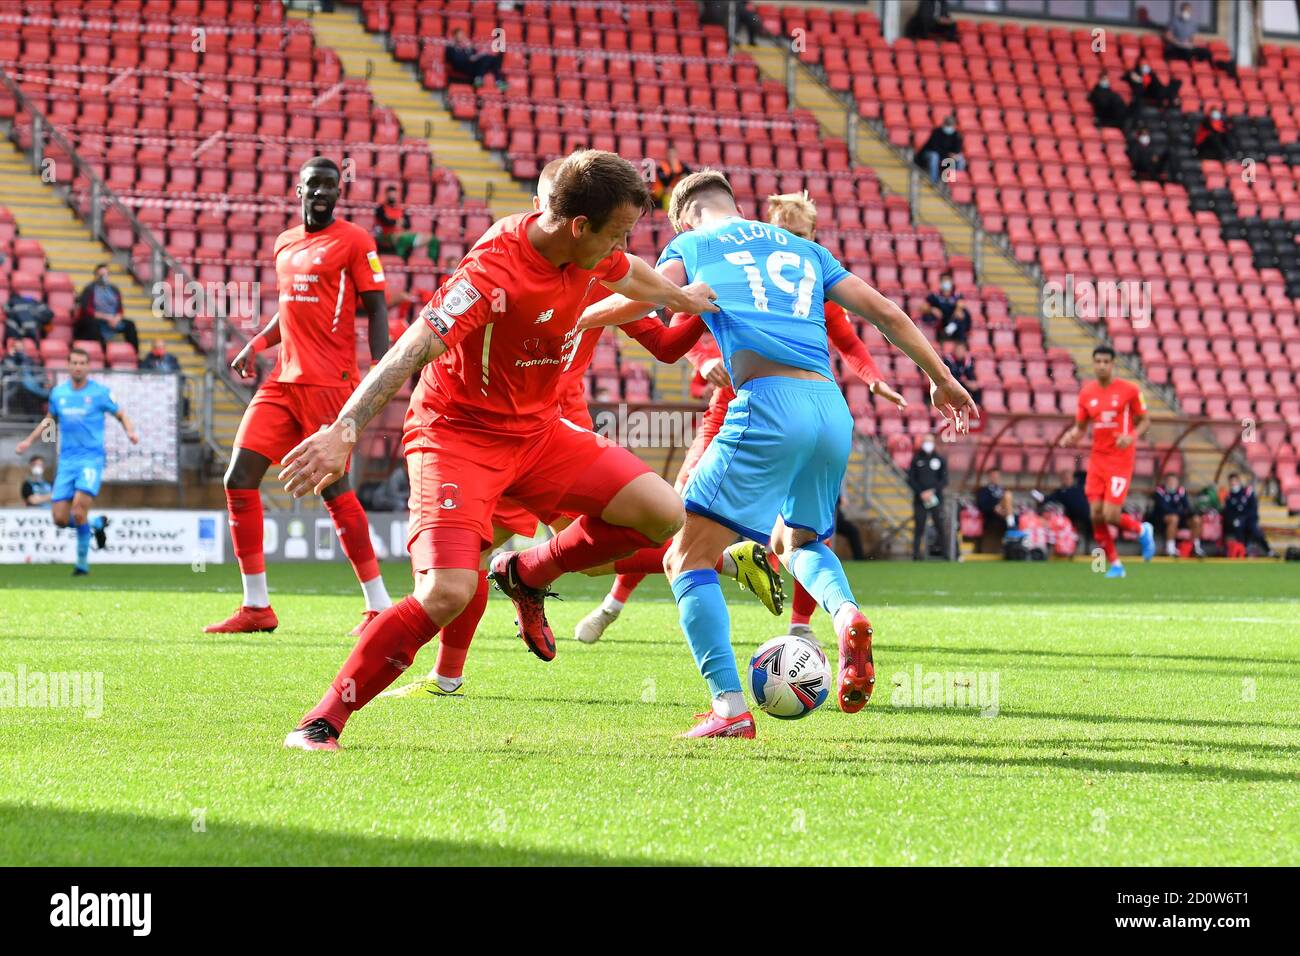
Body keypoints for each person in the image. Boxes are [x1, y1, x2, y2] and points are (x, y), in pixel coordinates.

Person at [276, 149, 719, 750]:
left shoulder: (592, 250)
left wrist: (687, 299)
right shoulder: (492, 271)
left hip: (539, 435)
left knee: (663, 512)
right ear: (577, 226)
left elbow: (629, 271)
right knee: (446, 592)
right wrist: (345, 428)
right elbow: (411, 349)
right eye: (616, 231)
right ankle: (322, 720)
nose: (623, 243)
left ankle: (526, 571)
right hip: (457, 436)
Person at [572, 167, 973, 737]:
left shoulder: (691, 243)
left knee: (683, 558)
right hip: (831, 409)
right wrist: (941, 378)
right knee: (797, 541)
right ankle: (845, 613)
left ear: (683, 214)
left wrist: (580, 317)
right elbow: (884, 310)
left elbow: (648, 299)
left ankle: (729, 710)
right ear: (736, 204)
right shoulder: (805, 249)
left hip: (766, 403)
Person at [383, 158, 759, 702]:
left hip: (551, 426)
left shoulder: (597, 269)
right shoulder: (524, 263)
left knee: (573, 556)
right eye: (539, 203)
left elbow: (661, 340)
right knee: (494, 556)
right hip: (496, 423)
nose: (541, 212)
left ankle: (456, 667)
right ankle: (451, 672)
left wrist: (700, 317)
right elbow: (433, 335)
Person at [572, 189, 907, 648]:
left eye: (799, 234)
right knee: (705, 522)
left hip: (762, 407)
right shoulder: (737, 261)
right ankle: (617, 602)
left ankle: (787, 639)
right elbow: (687, 324)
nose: (789, 241)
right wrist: (701, 360)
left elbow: (848, 339)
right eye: (784, 232)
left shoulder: (800, 278)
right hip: (772, 409)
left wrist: (871, 377)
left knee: (693, 539)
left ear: (811, 236)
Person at [204, 157, 394, 637]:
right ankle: (256, 606)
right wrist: (257, 343)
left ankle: (378, 605)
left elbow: (375, 309)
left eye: (331, 185)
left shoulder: (356, 242)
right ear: (299, 191)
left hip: (331, 385)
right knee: (239, 478)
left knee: (334, 490)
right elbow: (288, 310)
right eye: (315, 185)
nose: (323, 192)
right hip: (282, 382)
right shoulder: (284, 243)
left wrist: (381, 372)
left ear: (338, 192)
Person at [15, 347, 139, 575]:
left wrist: (130, 432)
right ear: (69, 365)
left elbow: (120, 414)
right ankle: (97, 525)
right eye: (74, 362)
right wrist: (28, 442)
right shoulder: (59, 393)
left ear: (88, 366)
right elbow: (49, 420)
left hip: (90, 460)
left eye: (82, 363)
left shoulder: (100, 393)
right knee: (60, 519)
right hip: (67, 462)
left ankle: (81, 565)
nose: (78, 366)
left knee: (79, 510)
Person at [1060, 345, 1156, 577]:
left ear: (1113, 364)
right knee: (1095, 515)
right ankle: (1116, 564)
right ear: (1093, 364)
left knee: (1111, 515)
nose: (1102, 365)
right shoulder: (1087, 393)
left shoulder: (1129, 390)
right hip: (1097, 460)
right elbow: (1081, 427)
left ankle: (1142, 530)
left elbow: (1145, 420)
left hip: (1120, 460)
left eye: (1106, 361)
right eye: (1098, 361)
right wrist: (1071, 435)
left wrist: (1131, 436)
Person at [75, 263, 138, 353]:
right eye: (100, 275)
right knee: (93, 325)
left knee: (130, 325)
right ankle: (103, 353)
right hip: (97, 321)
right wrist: (106, 317)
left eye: (105, 274)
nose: (103, 278)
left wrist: (116, 318)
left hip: (112, 320)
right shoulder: (89, 289)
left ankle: (134, 354)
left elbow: (120, 309)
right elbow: (87, 311)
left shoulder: (114, 289)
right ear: (95, 275)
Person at [908, 433, 949, 561]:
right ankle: (915, 555)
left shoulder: (940, 459)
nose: (928, 444)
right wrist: (921, 492)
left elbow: (944, 480)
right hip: (920, 499)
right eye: (926, 441)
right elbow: (911, 479)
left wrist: (932, 491)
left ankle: (946, 554)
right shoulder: (916, 459)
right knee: (919, 527)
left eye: (930, 441)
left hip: (935, 499)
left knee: (940, 526)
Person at [374, 185, 440, 263]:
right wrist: (396, 222)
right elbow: (385, 222)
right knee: (402, 238)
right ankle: (400, 262)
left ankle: (432, 264)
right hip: (387, 236)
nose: (392, 196)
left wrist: (395, 222)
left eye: (394, 194)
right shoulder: (380, 208)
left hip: (403, 234)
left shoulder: (401, 208)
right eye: (390, 194)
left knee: (433, 239)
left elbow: (408, 225)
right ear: (386, 194)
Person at [1151, 472, 1204, 557]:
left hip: (1181, 518)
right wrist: (1181, 511)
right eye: (1170, 481)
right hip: (1162, 519)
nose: (1172, 483)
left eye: (1174, 481)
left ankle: (1196, 547)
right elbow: (1164, 509)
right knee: (1174, 518)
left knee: (1196, 520)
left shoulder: (1181, 491)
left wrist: (1184, 512)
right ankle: (1170, 548)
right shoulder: (1160, 492)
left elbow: (1187, 507)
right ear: (1166, 482)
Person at [1222, 473, 1272, 557]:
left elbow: (1253, 507)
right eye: (1231, 482)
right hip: (1238, 521)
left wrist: (1250, 519)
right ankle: (1243, 551)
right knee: (1238, 530)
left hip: (1250, 519)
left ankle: (1269, 551)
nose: (1233, 484)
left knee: (1256, 532)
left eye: (1235, 481)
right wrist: (1234, 520)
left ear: (1239, 481)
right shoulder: (1229, 496)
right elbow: (1229, 512)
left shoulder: (1247, 492)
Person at [2, 336, 48, 415]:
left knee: (28, 386)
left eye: (21, 347)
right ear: (13, 348)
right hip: (12, 386)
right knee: (22, 384)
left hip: (30, 386)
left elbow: (38, 372)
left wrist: (44, 381)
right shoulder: (7, 359)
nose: (19, 350)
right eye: (16, 347)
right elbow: (4, 374)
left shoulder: (28, 360)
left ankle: (33, 416)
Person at [915, 116, 965, 185]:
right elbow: (935, 147)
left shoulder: (956, 135)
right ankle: (934, 182)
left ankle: (954, 183)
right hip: (930, 153)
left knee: (960, 159)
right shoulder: (936, 132)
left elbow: (957, 148)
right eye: (948, 124)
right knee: (934, 156)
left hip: (946, 156)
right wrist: (948, 154)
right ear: (944, 124)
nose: (949, 127)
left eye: (950, 125)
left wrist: (955, 154)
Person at [925, 272, 971, 345]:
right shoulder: (935, 295)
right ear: (940, 282)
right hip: (940, 321)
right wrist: (932, 309)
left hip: (953, 321)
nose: (946, 282)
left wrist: (958, 310)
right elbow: (923, 307)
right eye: (944, 280)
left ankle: (951, 335)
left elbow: (961, 304)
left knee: (963, 315)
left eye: (948, 280)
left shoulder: (957, 294)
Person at [976, 467, 1015, 543]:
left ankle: (1011, 523)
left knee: (1008, 495)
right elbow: (982, 505)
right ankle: (1011, 524)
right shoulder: (984, 490)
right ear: (989, 477)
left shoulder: (1002, 489)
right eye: (993, 476)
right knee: (1007, 495)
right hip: (992, 515)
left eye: (997, 476)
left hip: (1003, 512)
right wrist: (994, 508)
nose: (996, 478)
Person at [942, 338, 980, 404]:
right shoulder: (948, 360)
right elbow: (950, 376)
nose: (960, 352)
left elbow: (970, 374)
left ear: (965, 351)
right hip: (951, 384)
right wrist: (966, 382)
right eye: (958, 350)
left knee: (976, 388)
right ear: (954, 351)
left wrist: (972, 382)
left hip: (962, 383)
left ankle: (976, 406)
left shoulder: (967, 360)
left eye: (962, 350)